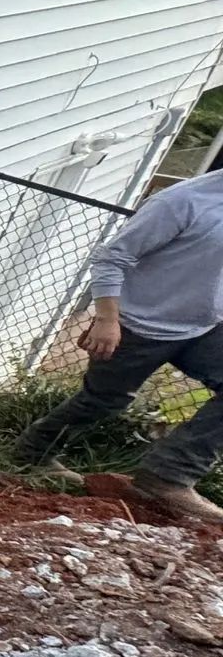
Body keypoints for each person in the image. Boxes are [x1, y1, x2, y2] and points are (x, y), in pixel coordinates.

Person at [14, 168, 223, 522]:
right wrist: (106, 320)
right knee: (104, 401)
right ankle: (33, 453)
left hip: (204, 327)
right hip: (137, 326)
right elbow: (112, 259)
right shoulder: (182, 202)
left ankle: (167, 476)